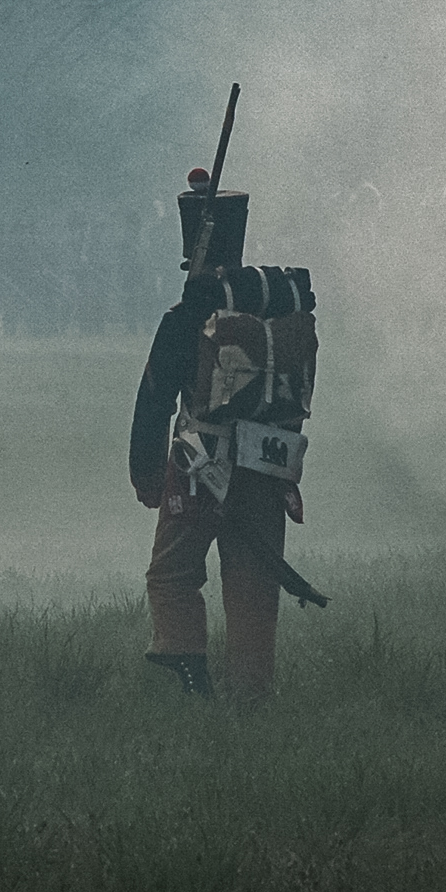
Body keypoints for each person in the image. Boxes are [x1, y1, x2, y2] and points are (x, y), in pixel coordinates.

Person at [129, 169, 318, 700]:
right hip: (267, 464)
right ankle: (251, 697)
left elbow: (153, 400)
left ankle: (189, 670)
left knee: (171, 575)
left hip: (198, 466)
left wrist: (146, 474)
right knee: (254, 586)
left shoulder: (185, 318)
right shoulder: (279, 309)